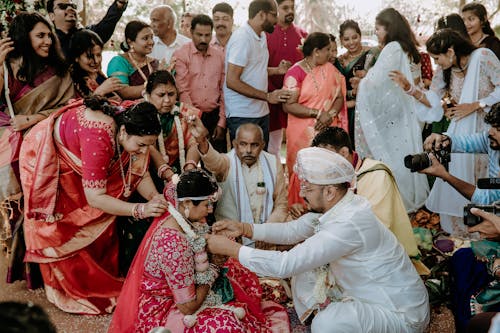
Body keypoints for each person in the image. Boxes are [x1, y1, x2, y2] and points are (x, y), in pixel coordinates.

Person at [206, 147, 430, 333]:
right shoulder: (343, 205)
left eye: (308, 189)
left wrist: (232, 249)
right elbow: (293, 230)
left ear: (330, 192)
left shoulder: (347, 223)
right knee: (305, 271)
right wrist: (244, 228)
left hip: (402, 316)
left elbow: (286, 264)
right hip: (372, 297)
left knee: (326, 323)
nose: (302, 194)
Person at [20, 97, 167, 314]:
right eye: (142, 145)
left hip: (84, 154)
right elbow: (96, 198)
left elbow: (136, 169)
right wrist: (139, 209)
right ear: (124, 132)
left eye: (149, 145)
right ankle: (70, 286)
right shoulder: (98, 138)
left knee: (100, 217)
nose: (145, 151)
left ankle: (98, 275)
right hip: (49, 158)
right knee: (66, 225)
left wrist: (154, 196)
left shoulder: (129, 119)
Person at [108, 170, 290, 333]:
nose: (210, 210)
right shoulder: (173, 242)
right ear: (187, 203)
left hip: (183, 295)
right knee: (227, 326)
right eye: (207, 204)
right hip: (164, 312)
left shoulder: (180, 218)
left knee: (240, 274)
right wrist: (215, 266)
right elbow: (188, 307)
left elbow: (198, 245)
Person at [390, 29, 500, 233]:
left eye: (437, 58)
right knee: (459, 181)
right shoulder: (446, 70)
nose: (435, 63)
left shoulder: (483, 57)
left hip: (490, 129)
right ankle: (462, 236)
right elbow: (432, 102)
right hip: (460, 130)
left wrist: (477, 104)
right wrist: (409, 88)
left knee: (487, 183)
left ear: (450, 51)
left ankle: (489, 230)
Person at [0, 12, 74, 288]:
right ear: (24, 38)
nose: (47, 40)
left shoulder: (59, 71)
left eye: (49, 35)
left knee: (46, 203)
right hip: (12, 144)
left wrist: (32, 120)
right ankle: (28, 269)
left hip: (47, 142)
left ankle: (50, 269)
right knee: (21, 207)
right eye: (40, 35)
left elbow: (69, 107)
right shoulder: (9, 67)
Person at [307, 126, 426, 273]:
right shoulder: (334, 174)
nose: (323, 166)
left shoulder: (377, 174)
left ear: (344, 153)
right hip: (350, 244)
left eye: (327, 159)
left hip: (382, 258)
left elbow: (377, 225)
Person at [117, 70, 200, 274]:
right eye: (161, 95)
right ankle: (145, 267)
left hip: (179, 172)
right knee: (146, 218)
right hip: (147, 172)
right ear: (148, 95)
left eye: (171, 94)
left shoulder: (185, 114)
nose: (167, 100)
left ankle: (186, 263)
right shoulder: (140, 114)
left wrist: (189, 166)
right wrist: (164, 171)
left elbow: (194, 142)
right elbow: (146, 148)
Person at [355, 7, 434, 213]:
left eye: (378, 29)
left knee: (394, 158)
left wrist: (361, 82)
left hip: (395, 116)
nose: (377, 33)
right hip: (408, 112)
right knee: (406, 154)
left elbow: (377, 81)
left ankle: (399, 203)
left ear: (388, 28)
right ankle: (410, 201)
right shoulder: (408, 49)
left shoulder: (393, 48)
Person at [189, 117, 288, 249]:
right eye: (243, 144)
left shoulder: (273, 163)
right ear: (235, 144)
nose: (248, 150)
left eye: (254, 145)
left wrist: (265, 232)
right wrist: (202, 141)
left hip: (266, 237)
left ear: (263, 145)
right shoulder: (227, 162)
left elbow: (281, 204)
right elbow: (214, 161)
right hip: (232, 236)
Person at [282, 32, 347, 206]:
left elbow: (339, 97)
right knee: (303, 172)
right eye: (327, 50)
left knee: (326, 172)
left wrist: (330, 115)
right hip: (301, 135)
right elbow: (288, 105)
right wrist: (318, 114)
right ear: (316, 51)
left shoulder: (330, 70)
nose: (331, 54)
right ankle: (299, 209)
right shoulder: (295, 73)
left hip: (326, 131)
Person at [224, 0, 293, 145]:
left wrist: (277, 71)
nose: (276, 20)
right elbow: (231, 81)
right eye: (274, 15)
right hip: (243, 115)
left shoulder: (260, 36)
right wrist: (267, 96)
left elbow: (253, 70)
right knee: (246, 163)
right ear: (262, 14)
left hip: (261, 112)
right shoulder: (242, 38)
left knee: (262, 162)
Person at [416, 103, 500, 210]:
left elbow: (487, 199)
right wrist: (443, 139)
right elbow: (466, 142)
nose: (490, 132)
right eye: (492, 126)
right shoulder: (491, 140)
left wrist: (446, 176)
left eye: (498, 129)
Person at [173, 15, 227, 153]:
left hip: (215, 117)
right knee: (189, 163)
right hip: (189, 115)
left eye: (207, 35)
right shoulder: (181, 54)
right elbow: (183, 91)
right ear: (191, 32)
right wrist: (196, 120)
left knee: (217, 167)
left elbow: (224, 90)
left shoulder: (220, 55)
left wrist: (222, 122)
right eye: (199, 35)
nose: (203, 39)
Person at [266, 0, 307, 156]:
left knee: (298, 145)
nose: (290, 11)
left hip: (295, 100)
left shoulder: (303, 36)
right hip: (269, 97)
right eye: (285, 8)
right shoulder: (265, 34)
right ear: (276, 10)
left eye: (292, 8)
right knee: (272, 147)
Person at [334, 20, 378, 143]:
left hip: (370, 106)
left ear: (360, 36)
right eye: (346, 39)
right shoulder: (340, 61)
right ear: (341, 41)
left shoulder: (372, 53)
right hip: (350, 110)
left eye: (355, 37)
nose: (351, 42)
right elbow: (338, 89)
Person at [46, 0, 127, 57]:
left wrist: (119, 4)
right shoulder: (48, 44)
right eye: (62, 6)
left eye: (73, 6)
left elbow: (106, 26)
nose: (70, 9)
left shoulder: (87, 35)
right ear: (52, 16)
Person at [107, 21, 158, 100]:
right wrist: (156, 86)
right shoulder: (119, 62)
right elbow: (124, 93)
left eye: (152, 37)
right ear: (130, 42)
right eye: (145, 38)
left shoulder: (154, 62)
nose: (151, 42)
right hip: (129, 109)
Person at [68, 29, 124, 99]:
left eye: (98, 55)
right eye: (90, 56)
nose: (96, 61)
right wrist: (100, 92)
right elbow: (76, 107)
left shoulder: (99, 76)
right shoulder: (69, 82)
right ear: (76, 57)